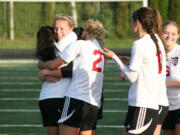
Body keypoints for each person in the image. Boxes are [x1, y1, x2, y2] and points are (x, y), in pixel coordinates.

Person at [101, 7, 167, 135]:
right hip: (148, 104)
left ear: (137, 22)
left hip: (143, 104)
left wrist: (114, 57)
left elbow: (132, 77)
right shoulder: (156, 41)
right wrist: (130, 60)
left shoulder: (140, 44)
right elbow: (148, 65)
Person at [38, 19, 105, 135]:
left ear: (84, 31)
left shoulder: (79, 44)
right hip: (94, 101)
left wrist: (40, 65)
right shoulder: (100, 48)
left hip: (76, 98)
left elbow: (54, 64)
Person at [37, 14, 77, 135]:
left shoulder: (67, 44)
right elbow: (73, 71)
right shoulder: (63, 44)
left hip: (52, 96)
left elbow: (72, 70)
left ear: (72, 28)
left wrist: (46, 71)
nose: (57, 32)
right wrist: (44, 69)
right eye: (55, 28)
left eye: (61, 28)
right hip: (56, 96)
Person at [162, 21, 180, 135]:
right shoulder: (157, 52)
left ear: (178, 35)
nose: (169, 36)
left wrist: (168, 83)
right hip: (164, 105)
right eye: (166, 33)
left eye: (173, 34)